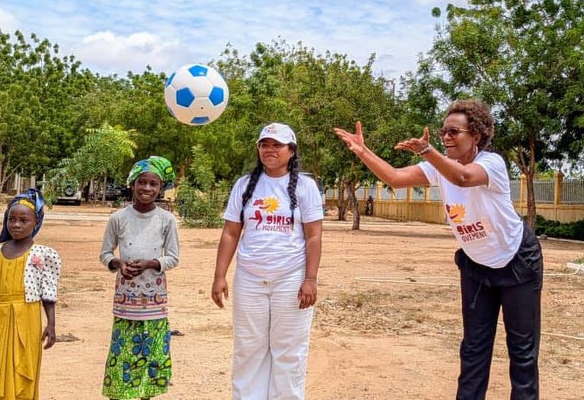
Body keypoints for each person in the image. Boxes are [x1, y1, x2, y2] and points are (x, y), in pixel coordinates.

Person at [334, 99, 542, 400]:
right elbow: (394, 177)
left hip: (517, 261)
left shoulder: (491, 164)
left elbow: (464, 177)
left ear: (477, 136)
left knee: (521, 352)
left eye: (454, 132)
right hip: (476, 265)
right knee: (473, 349)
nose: (446, 137)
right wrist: (363, 151)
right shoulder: (436, 167)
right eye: (444, 130)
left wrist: (427, 151)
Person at [212, 122, 324, 400]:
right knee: (248, 348)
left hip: (291, 278)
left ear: (291, 150)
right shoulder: (244, 185)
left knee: (289, 350)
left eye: (277, 145)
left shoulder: (306, 187)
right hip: (249, 279)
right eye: (264, 144)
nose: (270, 149)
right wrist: (219, 275)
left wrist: (310, 279)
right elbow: (230, 232)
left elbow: (313, 237)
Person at [99, 156, 180, 400]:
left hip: (155, 301)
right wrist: (118, 263)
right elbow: (105, 254)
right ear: (132, 184)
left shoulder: (167, 220)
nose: (147, 188)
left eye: (153, 184)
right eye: (141, 182)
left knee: (152, 354)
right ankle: (119, 395)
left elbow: (173, 258)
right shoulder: (118, 218)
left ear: (160, 188)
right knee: (123, 352)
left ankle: (146, 395)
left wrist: (151, 264)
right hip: (126, 301)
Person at [0, 188, 61, 399]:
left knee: (22, 367)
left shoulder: (43, 254)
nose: (16, 225)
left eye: (23, 220)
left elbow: (48, 293)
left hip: (26, 318)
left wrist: (51, 325)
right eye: (11, 219)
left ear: (36, 223)